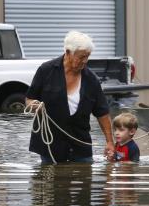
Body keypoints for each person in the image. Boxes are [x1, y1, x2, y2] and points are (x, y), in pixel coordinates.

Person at [25, 31, 114, 164]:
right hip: (50, 145)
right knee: (51, 181)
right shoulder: (46, 70)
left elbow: (102, 113)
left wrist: (110, 142)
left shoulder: (91, 80)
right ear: (68, 52)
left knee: (84, 180)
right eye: (81, 57)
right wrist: (34, 106)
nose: (85, 61)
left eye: (87, 56)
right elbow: (29, 99)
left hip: (81, 145)